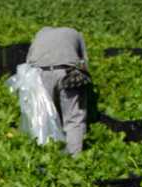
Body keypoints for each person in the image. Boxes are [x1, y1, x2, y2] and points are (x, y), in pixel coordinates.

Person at [27, 26, 93, 154]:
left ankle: (45, 154)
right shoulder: (75, 34)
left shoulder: (40, 34)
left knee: (44, 115)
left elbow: (28, 60)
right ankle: (73, 157)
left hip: (39, 74)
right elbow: (84, 63)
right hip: (67, 73)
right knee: (74, 118)